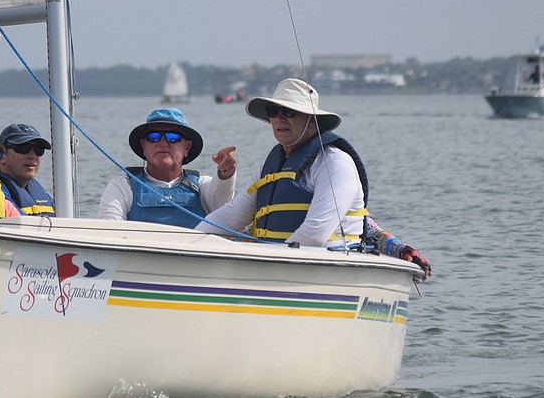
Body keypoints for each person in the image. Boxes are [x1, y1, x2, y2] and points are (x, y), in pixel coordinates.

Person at [195, 78, 429, 276]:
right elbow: (228, 217)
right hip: (277, 270)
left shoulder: (335, 163)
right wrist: (190, 241)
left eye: (289, 112)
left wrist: (263, 269)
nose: (280, 118)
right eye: (274, 112)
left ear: (312, 120)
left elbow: (314, 233)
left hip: (328, 275)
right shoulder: (268, 168)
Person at [98, 107, 238, 228]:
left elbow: (222, 202)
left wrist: (226, 172)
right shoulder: (121, 188)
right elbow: (109, 234)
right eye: (154, 137)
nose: (163, 143)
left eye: (173, 137)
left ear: (187, 147)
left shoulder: (202, 187)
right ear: (143, 146)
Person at [0, 123, 55, 216]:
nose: (33, 156)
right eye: (23, 148)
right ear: (2, 155)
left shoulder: (40, 194)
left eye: (38, 150)